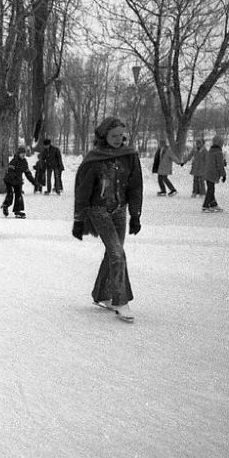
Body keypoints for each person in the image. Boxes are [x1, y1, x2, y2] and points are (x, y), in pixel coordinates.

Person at [72, 116, 143, 323]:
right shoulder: (94, 158)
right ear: (104, 136)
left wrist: (136, 215)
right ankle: (121, 301)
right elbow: (82, 191)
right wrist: (79, 219)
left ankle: (101, 294)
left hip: (120, 210)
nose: (118, 139)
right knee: (117, 253)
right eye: (113, 136)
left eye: (121, 135)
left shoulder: (129, 155)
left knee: (113, 253)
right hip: (98, 210)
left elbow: (136, 186)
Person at [1, 146, 35, 218]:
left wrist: (34, 182)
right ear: (18, 153)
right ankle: (5, 205)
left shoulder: (24, 162)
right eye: (22, 153)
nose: (23, 155)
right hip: (9, 180)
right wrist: (14, 177)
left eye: (24, 154)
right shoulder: (14, 160)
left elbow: (27, 173)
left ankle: (17, 210)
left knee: (18, 195)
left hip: (18, 181)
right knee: (10, 195)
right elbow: (10, 171)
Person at [201, 135, 227, 212]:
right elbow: (219, 165)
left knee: (211, 189)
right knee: (210, 190)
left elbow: (213, 162)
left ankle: (213, 204)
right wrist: (223, 175)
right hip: (212, 173)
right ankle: (205, 206)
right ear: (220, 143)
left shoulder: (210, 151)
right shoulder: (218, 152)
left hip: (207, 172)